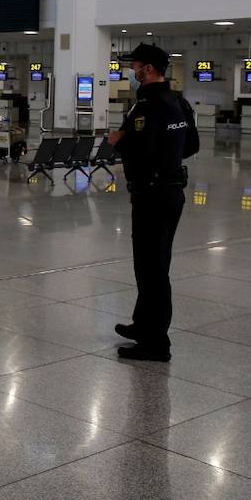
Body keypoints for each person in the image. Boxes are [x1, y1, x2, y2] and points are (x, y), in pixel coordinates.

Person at [105, 43, 198, 361]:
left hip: (151, 194)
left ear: (149, 69)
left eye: (135, 66)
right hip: (171, 191)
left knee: (151, 268)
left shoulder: (147, 105)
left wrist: (121, 141)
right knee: (154, 264)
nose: (132, 71)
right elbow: (191, 146)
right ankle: (143, 324)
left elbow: (142, 149)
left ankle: (156, 342)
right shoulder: (179, 102)